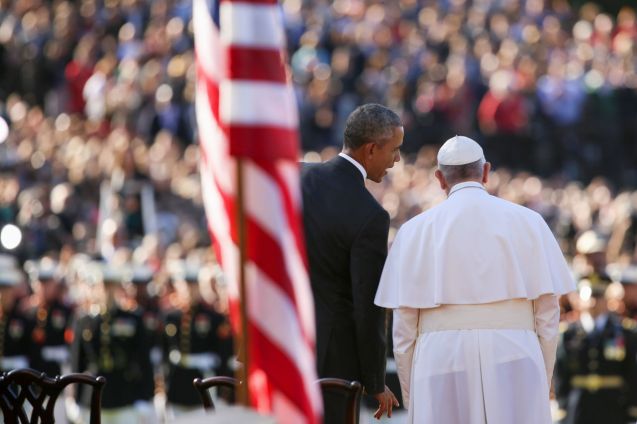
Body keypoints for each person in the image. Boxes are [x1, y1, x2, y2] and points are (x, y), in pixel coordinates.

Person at [375, 135, 575, 423]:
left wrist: (412, 394)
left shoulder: (413, 231)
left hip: (441, 357)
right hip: (515, 351)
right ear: (485, 172)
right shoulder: (529, 222)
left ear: (440, 179)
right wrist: (539, 377)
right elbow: (547, 313)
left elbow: (403, 329)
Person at [301, 103, 402, 421]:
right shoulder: (370, 216)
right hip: (332, 361)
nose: (396, 160)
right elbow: (369, 305)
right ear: (371, 149)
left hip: (280, 339)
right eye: (394, 150)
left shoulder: (297, 176)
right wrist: (375, 380)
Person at [554, 277, 637, 424]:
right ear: (578, 300)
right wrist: (563, 405)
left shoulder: (624, 333)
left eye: (598, 296)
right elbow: (561, 372)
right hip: (578, 407)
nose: (594, 301)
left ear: (607, 300)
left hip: (613, 407)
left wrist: (632, 407)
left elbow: (631, 371)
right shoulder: (567, 334)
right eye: (589, 295)